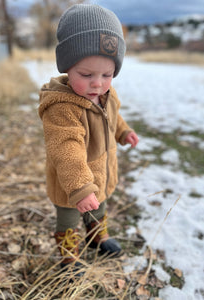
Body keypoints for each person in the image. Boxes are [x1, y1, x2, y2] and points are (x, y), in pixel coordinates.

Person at [39, 3, 139, 273]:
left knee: (100, 205)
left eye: (107, 75)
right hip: (71, 184)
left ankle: (97, 238)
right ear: (68, 68)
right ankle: (69, 260)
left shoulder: (106, 95)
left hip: (100, 172)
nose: (98, 83)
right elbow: (65, 148)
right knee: (70, 219)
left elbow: (113, 117)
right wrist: (80, 187)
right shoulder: (62, 107)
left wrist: (124, 131)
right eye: (86, 75)